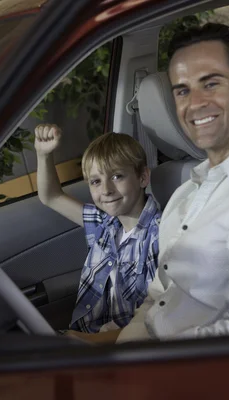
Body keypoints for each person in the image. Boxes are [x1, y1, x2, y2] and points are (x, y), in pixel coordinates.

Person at [72, 23, 229, 344]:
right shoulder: (189, 190)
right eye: (182, 90)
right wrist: (96, 346)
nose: (194, 103)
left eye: (211, 84)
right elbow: (157, 299)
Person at [34, 125, 161, 335]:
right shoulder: (104, 223)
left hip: (118, 347)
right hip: (87, 337)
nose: (106, 190)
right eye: (95, 181)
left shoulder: (158, 236)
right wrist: (43, 155)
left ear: (143, 177)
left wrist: (86, 343)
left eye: (117, 176)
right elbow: (51, 196)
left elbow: (152, 321)